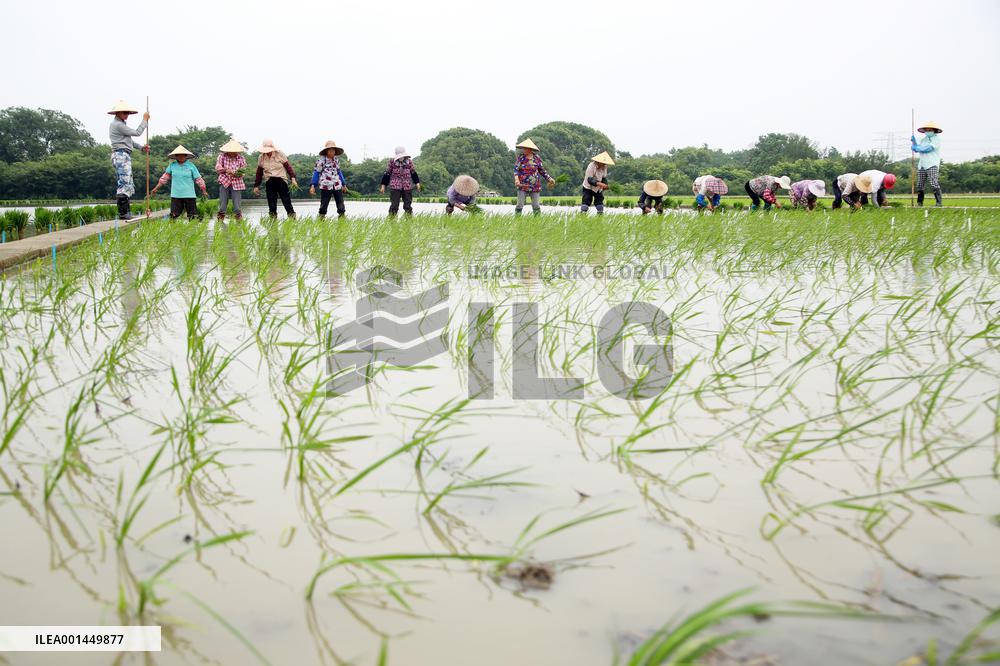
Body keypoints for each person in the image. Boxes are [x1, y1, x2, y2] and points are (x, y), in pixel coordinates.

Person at [107, 100, 150, 220]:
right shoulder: (118, 125)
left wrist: (141, 148)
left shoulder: (121, 124)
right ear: (118, 113)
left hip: (124, 155)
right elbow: (137, 132)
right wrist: (145, 120)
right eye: (125, 113)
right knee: (124, 183)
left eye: (128, 113)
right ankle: (123, 213)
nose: (127, 115)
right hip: (120, 155)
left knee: (128, 183)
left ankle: (127, 213)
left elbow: (129, 141)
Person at [149, 145, 208, 219]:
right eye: (179, 155)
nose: (181, 157)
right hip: (176, 195)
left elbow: (198, 179)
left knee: (192, 216)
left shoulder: (191, 166)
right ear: (176, 156)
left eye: (183, 155)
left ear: (186, 156)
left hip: (189, 195)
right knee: (174, 215)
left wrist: (203, 190)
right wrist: (156, 188)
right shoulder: (172, 166)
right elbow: (164, 179)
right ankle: (173, 230)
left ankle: (193, 229)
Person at [253, 139, 298, 218]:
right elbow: (259, 172)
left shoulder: (279, 154)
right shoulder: (261, 157)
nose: (267, 152)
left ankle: (292, 218)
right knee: (271, 203)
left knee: (286, 200)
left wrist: (293, 178)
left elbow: (288, 167)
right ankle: (273, 221)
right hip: (269, 181)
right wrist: (256, 186)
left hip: (281, 179)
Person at [513, 139, 555, 215]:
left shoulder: (537, 158)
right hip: (522, 185)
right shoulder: (521, 158)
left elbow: (542, 170)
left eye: (525, 148)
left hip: (535, 185)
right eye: (523, 148)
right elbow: (516, 170)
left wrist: (549, 178)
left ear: (530, 149)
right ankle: (517, 220)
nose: (524, 150)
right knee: (520, 204)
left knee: (536, 205)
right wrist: (516, 180)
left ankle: (537, 221)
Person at [310, 140, 348, 218]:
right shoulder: (321, 160)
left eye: (333, 150)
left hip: (337, 185)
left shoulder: (336, 160)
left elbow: (339, 172)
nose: (331, 152)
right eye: (330, 150)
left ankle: (342, 219)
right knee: (324, 204)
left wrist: (344, 184)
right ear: (326, 151)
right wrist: (313, 185)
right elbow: (316, 172)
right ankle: (321, 218)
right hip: (325, 186)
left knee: (341, 204)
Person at [379, 147, 421, 216]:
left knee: (408, 205)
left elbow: (413, 173)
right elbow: (387, 174)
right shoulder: (392, 162)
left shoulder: (409, 162)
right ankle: (391, 221)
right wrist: (383, 186)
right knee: (394, 205)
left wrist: (417, 183)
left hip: (407, 186)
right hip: (395, 187)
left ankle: (409, 220)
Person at [912, 121, 943, 207]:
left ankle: (939, 203)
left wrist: (918, 148)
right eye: (927, 130)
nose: (928, 131)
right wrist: (914, 144)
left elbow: (928, 148)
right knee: (920, 184)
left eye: (930, 130)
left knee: (933, 182)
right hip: (922, 164)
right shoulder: (923, 140)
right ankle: (919, 203)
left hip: (932, 164)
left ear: (934, 131)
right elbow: (918, 149)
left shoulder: (937, 139)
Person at [215, 138, 246, 221]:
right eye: (231, 150)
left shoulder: (241, 158)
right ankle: (220, 218)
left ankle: (238, 219)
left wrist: (235, 174)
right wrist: (226, 170)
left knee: (237, 205)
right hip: (224, 181)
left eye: (234, 150)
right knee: (223, 203)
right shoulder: (222, 156)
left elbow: (243, 171)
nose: (233, 152)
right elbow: (218, 168)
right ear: (227, 150)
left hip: (237, 182)